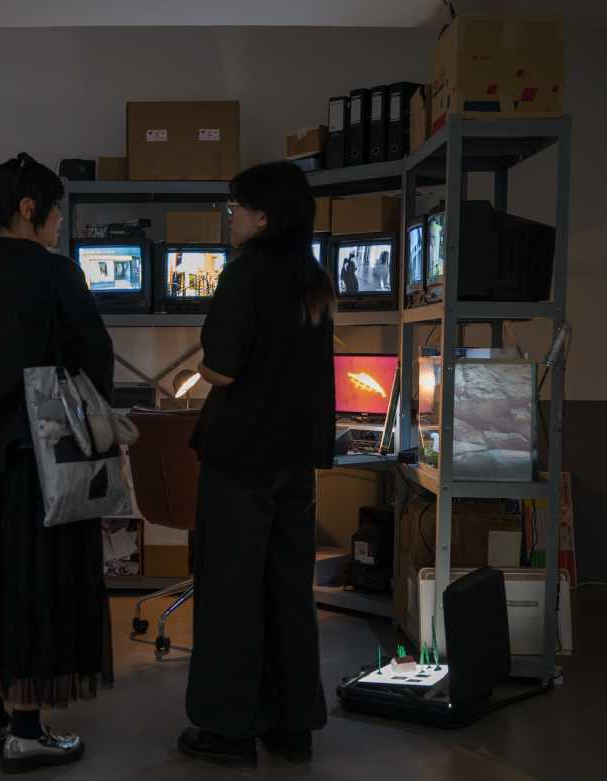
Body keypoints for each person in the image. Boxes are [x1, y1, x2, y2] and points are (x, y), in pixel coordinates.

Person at [0, 153, 115, 774]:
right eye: (55, 211)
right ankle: (25, 730)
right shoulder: (56, 274)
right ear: (28, 209)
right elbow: (96, 357)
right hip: (44, 463)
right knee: (36, 586)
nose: (58, 223)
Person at [178, 161, 337, 769]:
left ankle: (228, 729)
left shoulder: (244, 274)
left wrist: (208, 358)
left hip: (240, 455)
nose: (230, 217)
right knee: (289, 590)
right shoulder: (313, 278)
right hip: (296, 458)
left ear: (263, 217)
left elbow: (220, 368)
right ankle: (293, 726)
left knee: (231, 592)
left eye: (236, 207)